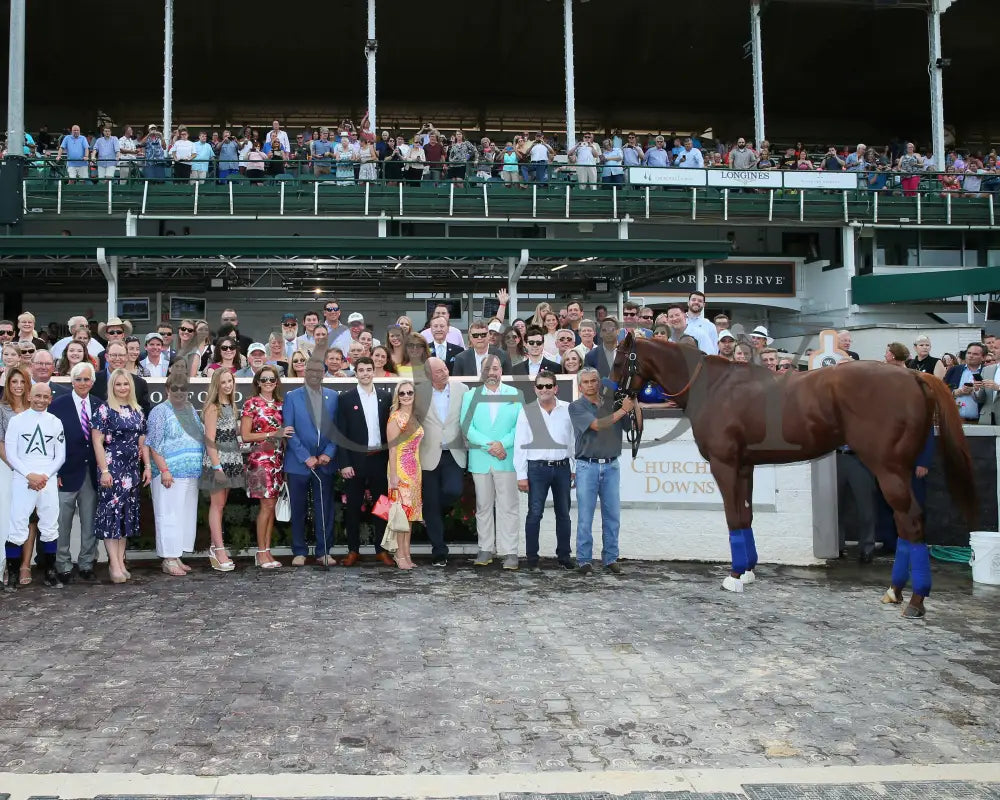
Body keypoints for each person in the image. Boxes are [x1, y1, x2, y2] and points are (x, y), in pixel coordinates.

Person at [569, 368, 640, 575]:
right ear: (580, 386)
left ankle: (610, 558)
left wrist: (633, 403)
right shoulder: (576, 407)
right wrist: (623, 410)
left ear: (599, 383)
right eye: (586, 382)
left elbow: (633, 426)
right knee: (585, 517)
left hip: (611, 465)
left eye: (594, 380)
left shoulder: (613, 404)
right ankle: (584, 560)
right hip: (587, 466)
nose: (590, 385)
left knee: (612, 516)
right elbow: (597, 425)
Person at [461, 356, 524, 569]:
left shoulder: (515, 394)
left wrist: (502, 444)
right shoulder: (470, 396)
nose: (492, 373)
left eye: (495, 368)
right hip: (481, 459)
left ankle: (510, 551)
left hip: (506, 459)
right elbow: (466, 426)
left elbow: (520, 426)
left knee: (509, 506)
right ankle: (485, 548)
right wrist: (491, 446)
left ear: (501, 371)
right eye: (487, 368)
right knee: (483, 506)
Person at [3, 382, 66, 588]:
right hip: (23, 479)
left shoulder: (55, 422)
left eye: (45, 397)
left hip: (47, 480)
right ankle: (13, 575)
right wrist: (29, 475)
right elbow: (11, 453)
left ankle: (50, 572)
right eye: (37, 396)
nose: (41, 400)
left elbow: (60, 456)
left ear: (50, 399)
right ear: (29, 396)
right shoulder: (17, 421)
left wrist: (44, 476)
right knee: (17, 526)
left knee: (50, 526)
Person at [92, 369, 151, 583]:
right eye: (118, 384)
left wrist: (147, 466)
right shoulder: (104, 410)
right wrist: (104, 470)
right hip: (111, 469)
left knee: (125, 516)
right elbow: (97, 442)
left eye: (126, 384)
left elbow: (142, 440)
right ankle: (114, 565)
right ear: (112, 387)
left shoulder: (137, 410)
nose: (122, 388)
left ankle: (120, 561)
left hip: (131, 470)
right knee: (111, 515)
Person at [336, 357, 393, 567]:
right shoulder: (346, 399)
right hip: (355, 461)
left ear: (373, 371)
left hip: (380, 459)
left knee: (382, 506)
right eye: (361, 370)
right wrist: (344, 463)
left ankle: (381, 550)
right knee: (353, 507)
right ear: (356, 373)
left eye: (369, 369)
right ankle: (353, 550)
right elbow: (341, 433)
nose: (366, 373)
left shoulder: (385, 397)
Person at [515, 370, 575, 571]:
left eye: (548, 386)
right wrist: (521, 475)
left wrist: (573, 467)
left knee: (563, 514)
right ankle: (532, 559)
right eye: (540, 386)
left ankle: (564, 557)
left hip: (562, 468)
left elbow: (573, 440)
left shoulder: (568, 409)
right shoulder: (527, 411)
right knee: (534, 514)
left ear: (555, 388)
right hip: (536, 469)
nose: (544, 390)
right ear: (535, 389)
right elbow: (520, 444)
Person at [283, 356, 339, 567]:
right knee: (298, 508)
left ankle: (324, 551)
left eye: (318, 371)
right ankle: (299, 551)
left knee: (324, 509)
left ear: (324, 373)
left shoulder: (333, 396)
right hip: (299, 463)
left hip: (324, 463)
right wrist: (305, 457)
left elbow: (337, 428)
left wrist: (329, 453)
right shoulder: (292, 397)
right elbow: (289, 431)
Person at [146, 374, 204, 576]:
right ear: (167, 390)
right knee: (168, 515)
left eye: (183, 389)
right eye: (175, 388)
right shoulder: (159, 411)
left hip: (190, 473)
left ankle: (176, 554)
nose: (179, 392)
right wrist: (164, 470)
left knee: (184, 515)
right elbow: (154, 444)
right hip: (169, 473)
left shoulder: (190, 409)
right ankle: (168, 559)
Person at [50, 362, 103, 584]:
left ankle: (86, 563)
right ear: (71, 381)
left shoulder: (99, 405)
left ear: (92, 382)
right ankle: (62, 565)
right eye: (78, 379)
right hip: (65, 473)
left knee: (89, 522)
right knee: (62, 523)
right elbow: (50, 443)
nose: (82, 383)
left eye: (86, 379)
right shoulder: (57, 406)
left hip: (91, 474)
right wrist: (54, 472)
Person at [415, 357, 469, 567]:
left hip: (453, 453)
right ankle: (439, 551)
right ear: (429, 375)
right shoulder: (418, 392)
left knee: (453, 491)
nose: (445, 373)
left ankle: (430, 511)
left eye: (445, 368)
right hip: (428, 454)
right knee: (431, 503)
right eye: (439, 371)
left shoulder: (462, 389)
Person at [241, 366, 291, 569]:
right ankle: (261, 552)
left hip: (278, 460)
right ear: (258, 382)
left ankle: (267, 551)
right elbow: (245, 435)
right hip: (260, 460)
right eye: (264, 379)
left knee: (271, 506)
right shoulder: (251, 403)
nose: (268, 382)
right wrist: (272, 434)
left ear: (277, 382)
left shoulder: (281, 404)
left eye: (272, 379)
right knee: (266, 506)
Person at [200, 369, 243, 572]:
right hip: (217, 462)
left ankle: (214, 547)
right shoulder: (213, 408)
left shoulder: (232, 406)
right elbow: (209, 440)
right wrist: (217, 467)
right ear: (216, 385)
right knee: (217, 505)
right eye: (223, 382)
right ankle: (219, 550)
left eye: (230, 381)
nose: (227, 385)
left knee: (221, 504)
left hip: (231, 460)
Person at [386, 380, 424, 570]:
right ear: (397, 397)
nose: (406, 396)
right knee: (401, 515)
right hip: (400, 470)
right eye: (402, 393)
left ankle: (407, 554)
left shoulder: (415, 417)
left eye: (410, 392)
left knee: (410, 516)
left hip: (414, 471)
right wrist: (393, 475)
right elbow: (392, 449)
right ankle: (399, 555)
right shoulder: (395, 418)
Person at [0, 367, 30, 587]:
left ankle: (21, 566)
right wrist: (16, 466)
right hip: (8, 470)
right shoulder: (2, 410)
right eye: (14, 382)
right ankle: (3, 567)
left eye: (22, 382)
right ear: (8, 385)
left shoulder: (33, 409)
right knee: (6, 518)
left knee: (25, 520)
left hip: (31, 473)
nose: (18, 386)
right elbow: (0, 443)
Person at [944, 342, 988, 424]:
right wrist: (955, 392)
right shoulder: (954, 370)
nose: (970, 356)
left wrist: (975, 391)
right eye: (969, 353)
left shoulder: (988, 372)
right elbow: (942, 390)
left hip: (979, 421)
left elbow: (990, 396)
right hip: (955, 421)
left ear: (983, 357)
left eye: (975, 354)